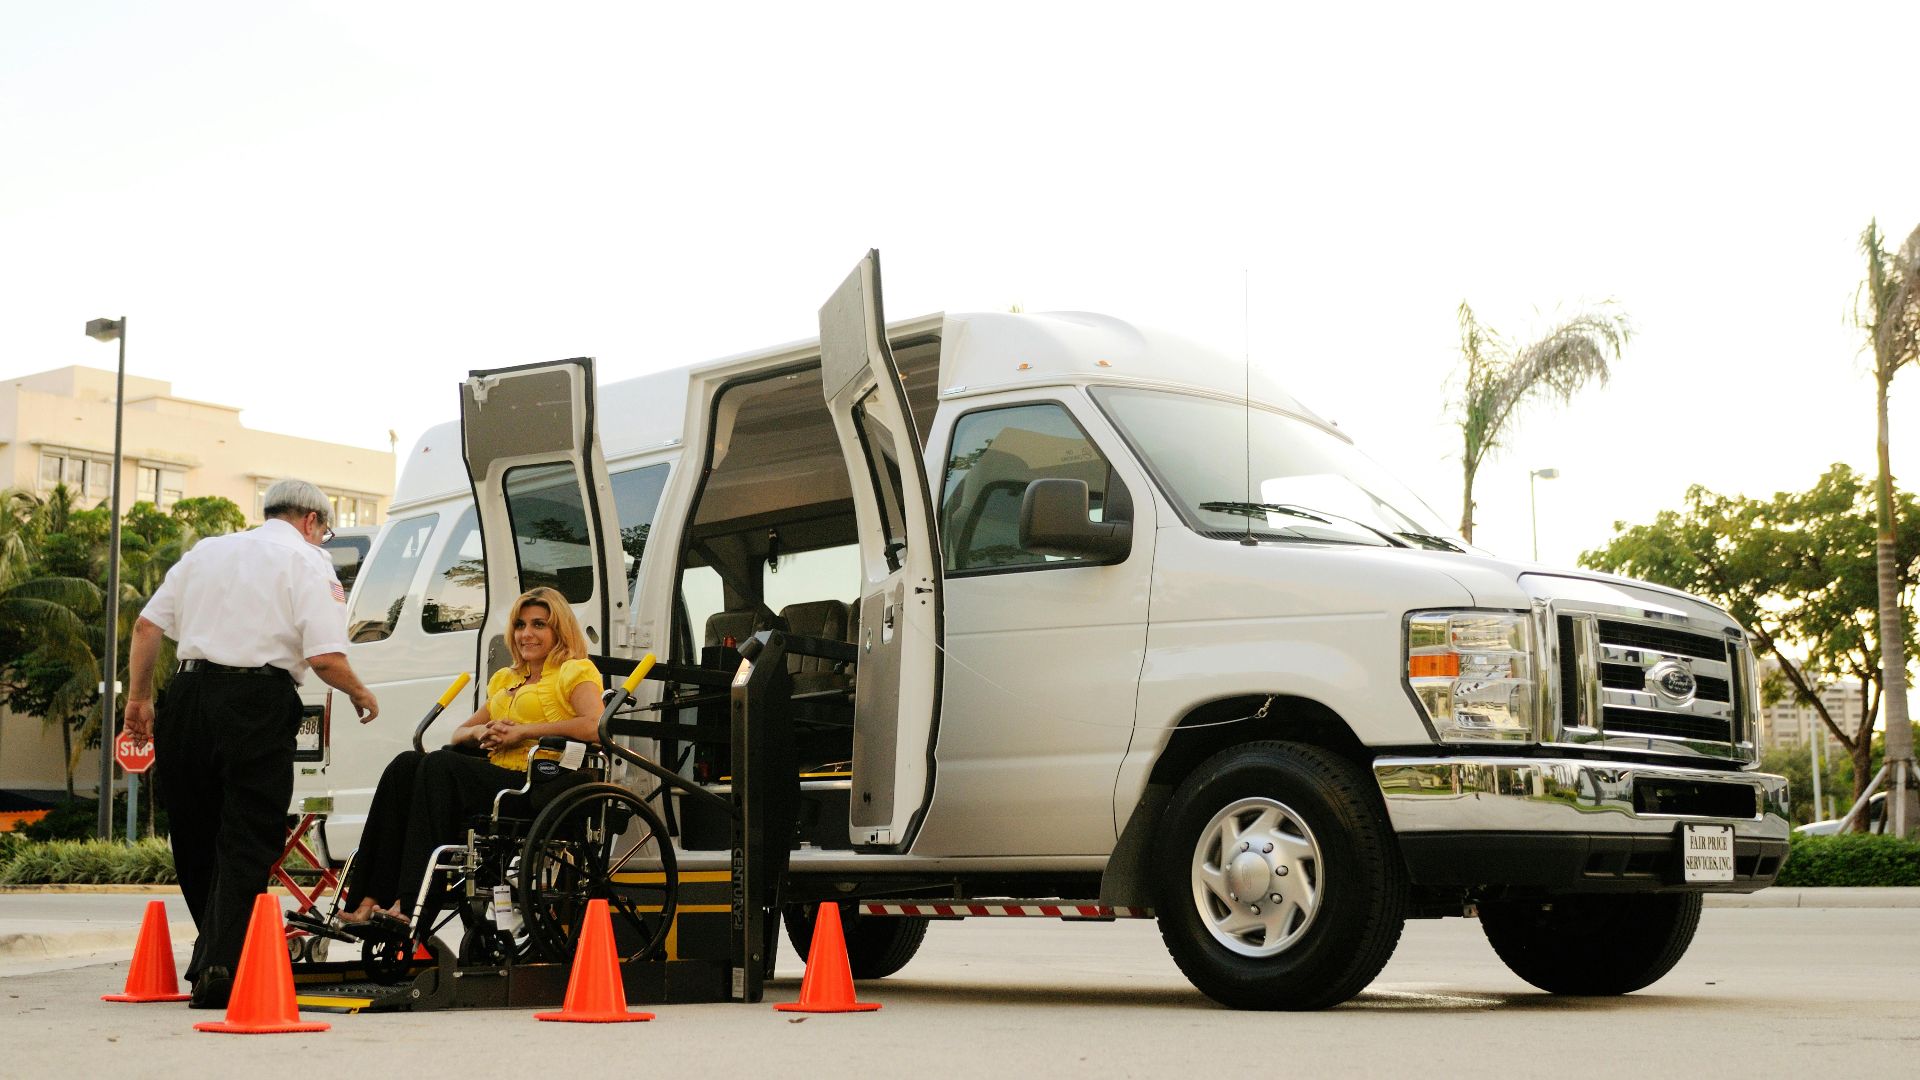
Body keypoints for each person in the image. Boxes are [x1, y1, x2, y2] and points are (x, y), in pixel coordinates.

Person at [123, 479, 380, 1009]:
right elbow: (327, 657)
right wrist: (361, 693)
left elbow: (148, 627)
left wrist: (140, 699)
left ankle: (213, 952)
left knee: (195, 832)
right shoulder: (308, 562)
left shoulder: (206, 552)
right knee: (247, 833)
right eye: (325, 531)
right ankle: (223, 963)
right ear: (311, 521)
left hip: (189, 695)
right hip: (256, 699)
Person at [338, 586, 604, 926]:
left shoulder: (574, 671)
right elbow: (460, 733)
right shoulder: (506, 679)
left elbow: (595, 725)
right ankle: (369, 899)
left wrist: (524, 731)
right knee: (406, 764)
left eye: (539, 624)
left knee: (441, 765)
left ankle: (411, 904)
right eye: (521, 625)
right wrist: (482, 732)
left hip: (536, 784)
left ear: (559, 630)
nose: (527, 633)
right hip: (497, 776)